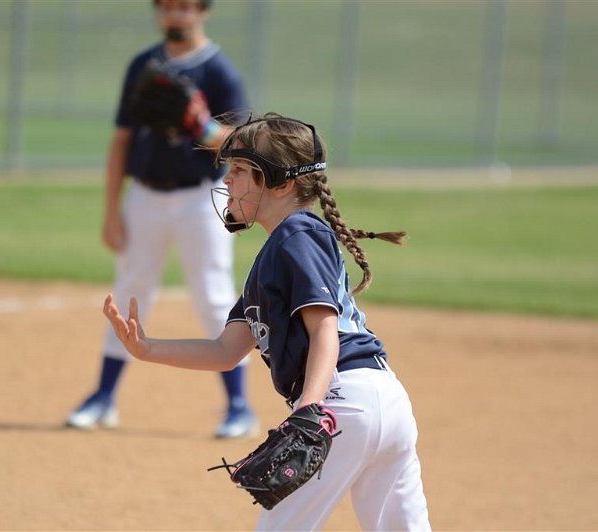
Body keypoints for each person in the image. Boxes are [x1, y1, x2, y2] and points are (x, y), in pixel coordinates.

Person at [102, 114, 431, 531]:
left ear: (280, 183)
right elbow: (226, 351)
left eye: (241, 170)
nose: (228, 179)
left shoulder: (297, 234)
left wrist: (310, 408)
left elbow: (324, 328)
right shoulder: (279, 252)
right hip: (385, 401)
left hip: (339, 402)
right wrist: (147, 349)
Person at [64, 0, 259, 439]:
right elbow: (121, 140)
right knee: (130, 290)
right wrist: (111, 209)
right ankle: (103, 397)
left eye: (186, 6)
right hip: (145, 195)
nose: (176, 14)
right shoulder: (143, 65)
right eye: (168, 6)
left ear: (203, 12)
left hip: (202, 197)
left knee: (213, 294)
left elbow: (240, 140)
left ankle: (239, 407)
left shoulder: (219, 70)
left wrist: (202, 127)